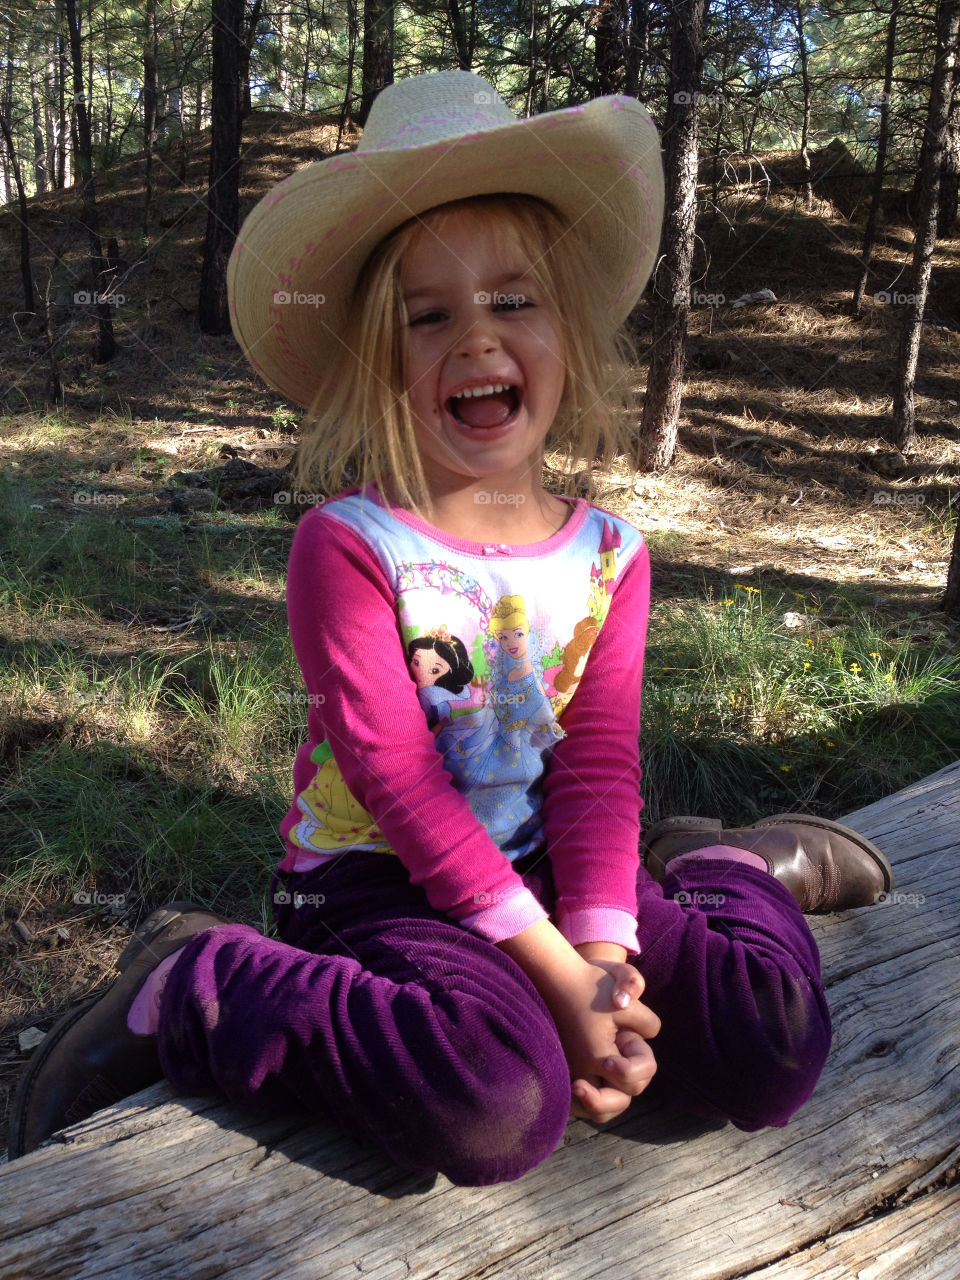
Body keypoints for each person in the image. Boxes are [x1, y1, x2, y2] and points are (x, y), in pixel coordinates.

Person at [8, 70, 894, 1184]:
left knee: (773, 1049)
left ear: (565, 332)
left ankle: (731, 865)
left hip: (555, 860)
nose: (476, 338)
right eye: (429, 316)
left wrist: (606, 957)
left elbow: (597, 765)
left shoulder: (611, 556)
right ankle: (197, 980)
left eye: (513, 301)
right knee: (494, 1104)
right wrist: (557, 976)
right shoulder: (351, 546)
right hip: (378, 879)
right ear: (381, 360)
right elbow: (400, 784)